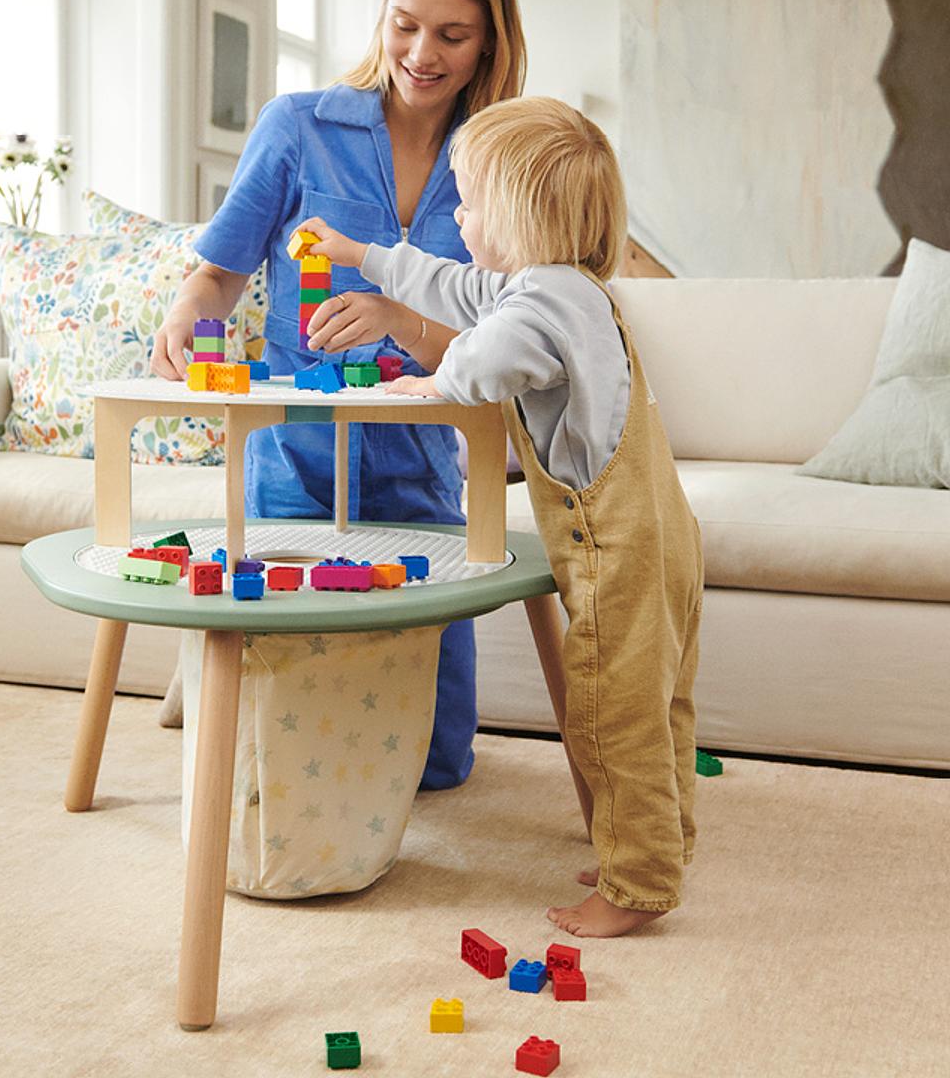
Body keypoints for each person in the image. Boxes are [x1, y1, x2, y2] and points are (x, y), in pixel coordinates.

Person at [290, 96, 705, 936]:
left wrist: (434, 383)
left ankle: (636, 885)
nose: (457, 213)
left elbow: (486, 356)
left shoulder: (538, 310)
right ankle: (662, 839)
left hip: (615, 549)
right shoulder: (565, 287)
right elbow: (456, 287)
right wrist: (363, 254)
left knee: (610, 711)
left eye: (470, 200)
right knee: (660, 705)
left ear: (516, 216)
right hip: (667, 535)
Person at [151, 0, 527, 790]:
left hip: (422, 478)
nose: (421, 52)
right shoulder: (298, 128)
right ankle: (209, 681)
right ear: (382, 15)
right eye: (404, 23)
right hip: (293, 462)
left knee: (436, 769)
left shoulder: (500, 159)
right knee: (284, 752)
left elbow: (499, 332)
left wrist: (398, 315)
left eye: (452, 33)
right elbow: (217, 274)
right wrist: (185, 312)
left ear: (491, 39)